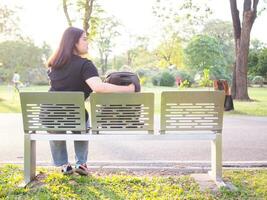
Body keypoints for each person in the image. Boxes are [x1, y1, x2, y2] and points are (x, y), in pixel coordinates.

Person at [47, 27, 135, 175]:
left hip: (49, 116)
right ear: (74, 42)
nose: (88, 43)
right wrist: (129, 89)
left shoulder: (53, 65)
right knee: (80, 119)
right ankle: (81, 163)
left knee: (56, 116)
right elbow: (98, 87)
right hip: (74, 116)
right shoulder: (85, 65)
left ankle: (63, 164)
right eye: (85, 39)